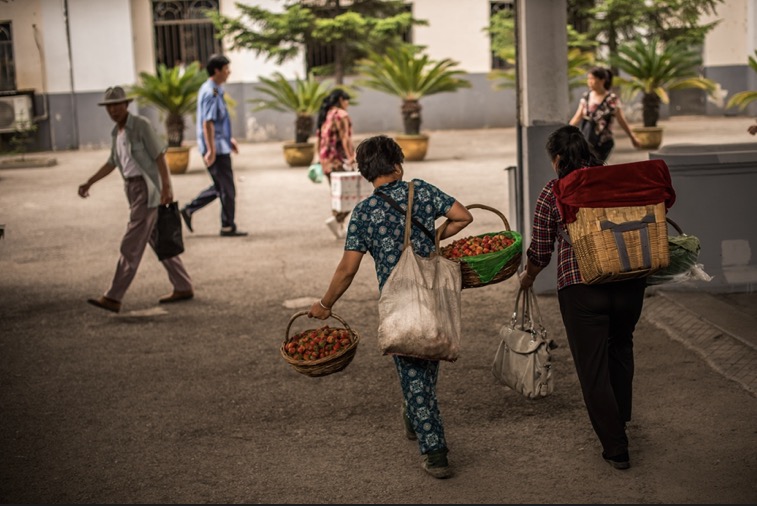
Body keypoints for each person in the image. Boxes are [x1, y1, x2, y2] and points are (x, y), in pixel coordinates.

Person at [307, 135, 473, 479]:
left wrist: (325, 304)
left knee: (414, 371)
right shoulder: (422, 191)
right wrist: (434, 236)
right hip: (434, 294)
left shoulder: (365, 212)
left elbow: (347, 269)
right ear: (398, 164)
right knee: (428, 360)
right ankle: (416, 414)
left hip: (399, 302)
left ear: (367, 174)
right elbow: (463, 217)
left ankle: (436, 452)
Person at [519, 124, 646, 471]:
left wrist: (527, 277)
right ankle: (619, 418)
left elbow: (541, 250)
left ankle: (616, 447)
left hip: (582, 288)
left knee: (593, 369)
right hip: (629, 282)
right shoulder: (616, 179)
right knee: (620, 347)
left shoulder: (554, 191)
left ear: (558, 158)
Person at [78, 86, 194, 313]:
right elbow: (112, 162)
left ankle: (113, 296)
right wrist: (90, 181)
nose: (113, 110)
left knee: (131, 243)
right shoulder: (117, 133)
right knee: (156, 239)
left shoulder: (140, 126)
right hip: (131, 189)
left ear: (126, 105)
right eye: (109, 106)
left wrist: (166, 187)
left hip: (147, 190)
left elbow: (159, 155)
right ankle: (183, 285)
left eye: (117, 105)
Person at [180, 54, 247, 237]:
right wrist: (211, 149)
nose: (228, 72)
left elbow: (218, 121)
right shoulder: (211, 91)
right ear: (216, 71)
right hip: (216, 148)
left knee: (220, 186)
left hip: (220, 144)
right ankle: (227, 226)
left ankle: (189, 209)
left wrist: (228, 139)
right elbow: (207, 123)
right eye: (226, 69)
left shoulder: (215, 89)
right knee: (227, 189)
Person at [569, 66, 640, 162]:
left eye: (592, 79)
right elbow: (577, 117)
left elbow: (621, 120)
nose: (589, 81)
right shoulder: (586, 97)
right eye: (588, 79)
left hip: (603, 142)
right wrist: (564, 133)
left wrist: (632, 137)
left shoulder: (611, 99)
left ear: (602, 80)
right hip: (587, 141)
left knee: (596, 167)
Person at [315, 89, 356, 239]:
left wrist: (318, 159)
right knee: (351, 194)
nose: (347, 105)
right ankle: (336, 220)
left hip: (325, 161)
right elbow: (345, 138)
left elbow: (319, 138)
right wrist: (352, 157)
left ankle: (339, 227)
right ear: (340, 99)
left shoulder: (326, 114)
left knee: (337, 194)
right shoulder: (340, 114)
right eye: (346, 101)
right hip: (338, 161)